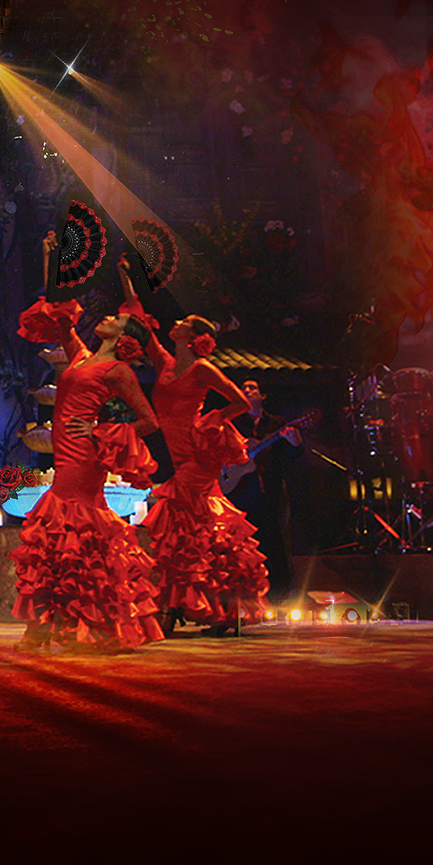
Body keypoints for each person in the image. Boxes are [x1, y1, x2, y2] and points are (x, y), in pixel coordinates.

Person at [10, 231, 163, 653]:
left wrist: (99, 433)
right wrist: (52, 260)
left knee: (72, 528)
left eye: (114, 319)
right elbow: (59, 317)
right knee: (61, 531)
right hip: (66, 449)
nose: (107, 317)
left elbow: (149, 420)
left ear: (123, 335)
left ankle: (74, 624)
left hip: (84, 455)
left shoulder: (119, 372)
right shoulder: (80, 356)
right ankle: (58, 622)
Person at [117, 256, 269, 636]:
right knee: (203, 530)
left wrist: (213, 420)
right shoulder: (166, 363)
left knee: (177, 522)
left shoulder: (202, 368)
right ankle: (223, 608)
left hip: (198, 456)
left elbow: (239, 402)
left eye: (182, 323)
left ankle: (173, 611)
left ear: (192, 336)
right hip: (178, 453)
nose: (175, 323)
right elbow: (141, 327)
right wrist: (126, 280)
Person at [229, 379, 301, 599]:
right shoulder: (233, 423)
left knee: (274, 538)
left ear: (262, 396)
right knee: (241, 542)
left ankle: (279, 594)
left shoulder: (276, 423)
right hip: (240, 491)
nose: (248, 390)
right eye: (244, 388)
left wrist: (295, 443)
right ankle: (244, 592)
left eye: (253, 388)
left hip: (269, 488)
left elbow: (290, 457)